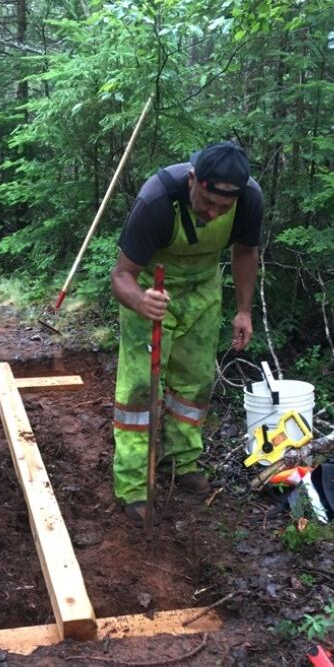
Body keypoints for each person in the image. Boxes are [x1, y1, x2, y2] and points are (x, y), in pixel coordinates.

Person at [111, 141, 263, 525]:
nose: (213, 214)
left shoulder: (249, 199)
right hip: (150, 289)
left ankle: (181, 462)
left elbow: (245, 251)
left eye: (222, 209)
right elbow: (121, 275)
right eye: (207, 202)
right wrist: (140, 301)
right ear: (193, 179)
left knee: (195, 383)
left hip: (203, 289)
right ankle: (133, 483)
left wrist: (244, 310)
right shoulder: (157, 199)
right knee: (139, 389)